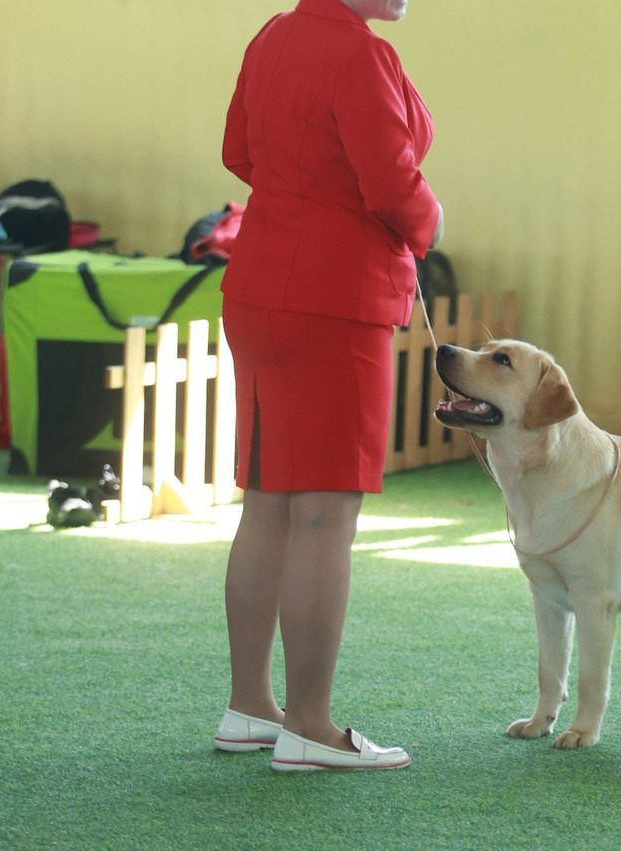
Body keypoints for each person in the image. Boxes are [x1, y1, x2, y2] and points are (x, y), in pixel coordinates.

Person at [212, 0, 443, 771]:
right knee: (323, 518)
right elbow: (390, 185)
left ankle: (251, 706)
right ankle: (310, 723)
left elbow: (239, 151)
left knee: (269, 504)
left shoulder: (275, 34)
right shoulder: (360, 55)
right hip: (334, 301)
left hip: (259, 290)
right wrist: (429, 222)